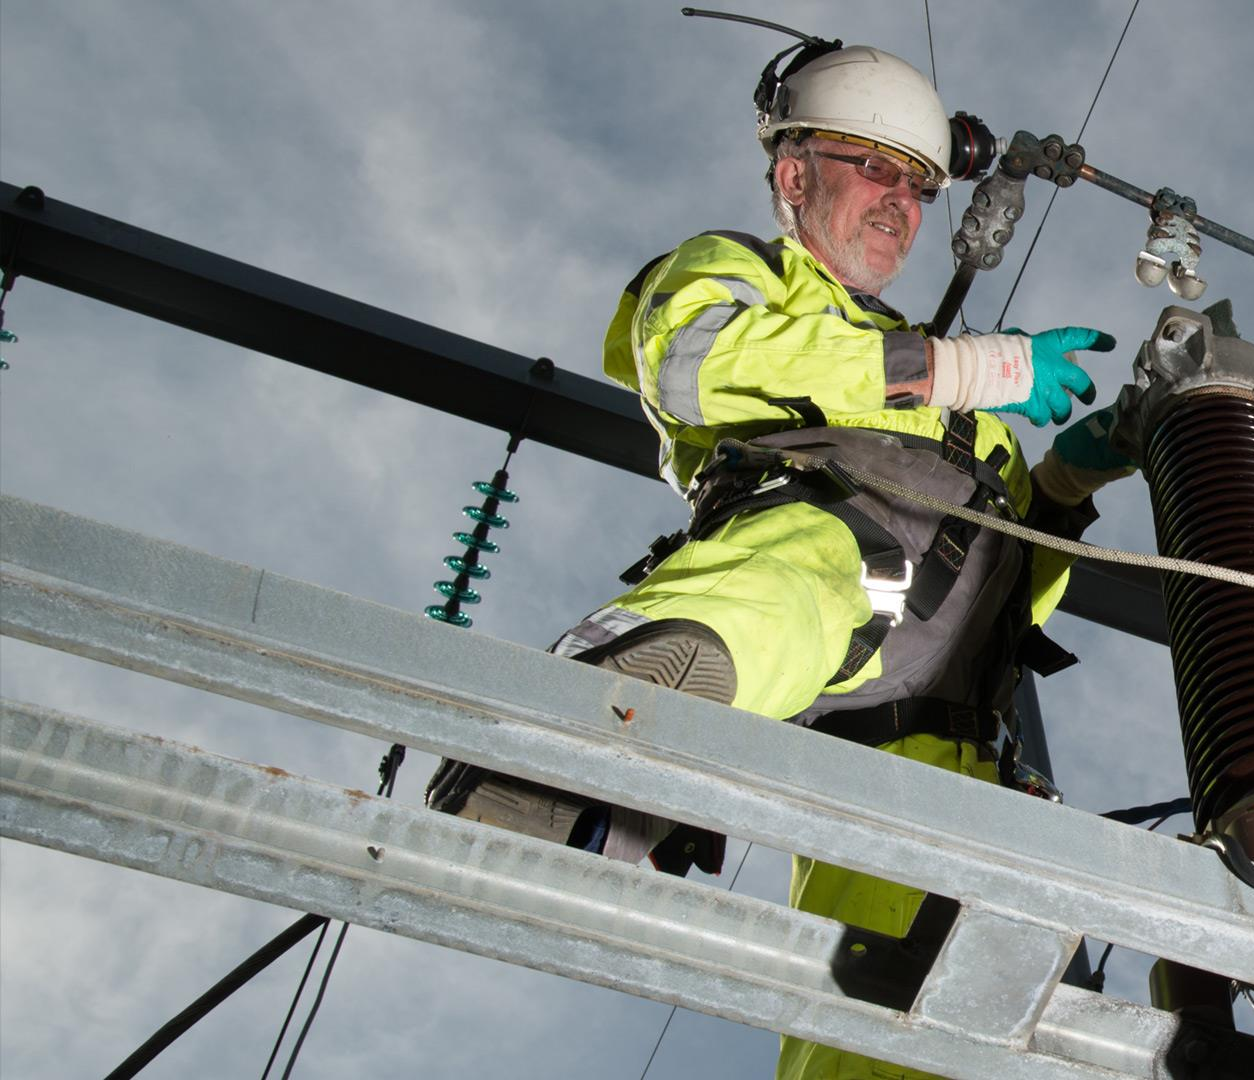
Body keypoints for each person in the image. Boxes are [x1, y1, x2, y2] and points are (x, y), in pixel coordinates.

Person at [426, 44, 1126, 1079]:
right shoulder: (749, 278)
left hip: (946, 738)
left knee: (909, 1017)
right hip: (823, 596)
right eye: (873, 167)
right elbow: (696, 360)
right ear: (796, 176)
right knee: (802, 575)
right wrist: (965, 365)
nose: (900, 202)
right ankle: (587, 732)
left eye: (917, 185)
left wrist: (1066, 486)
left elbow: (1009, 575)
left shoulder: (970, 419)